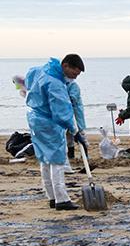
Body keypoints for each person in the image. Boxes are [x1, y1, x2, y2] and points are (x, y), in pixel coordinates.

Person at [24, 54, 84, 210]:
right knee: (57, 160)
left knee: (44, 158)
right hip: (48, 123)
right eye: (74, 73)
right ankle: (61, 199)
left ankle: (51, 197)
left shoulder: (42, 70)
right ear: (65, 66)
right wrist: (75, 131)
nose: (74, 78)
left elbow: (28, 78)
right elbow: (62, 112)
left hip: (34, 118)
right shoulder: (55, 84)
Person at [65, 70, 87, 167]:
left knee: (81, 135)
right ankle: (71, 156)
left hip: (75, 115)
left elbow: (72, 98)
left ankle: (85, 156)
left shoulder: (73, 86)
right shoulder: (62, 85)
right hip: (66, 115)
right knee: (68, 137)